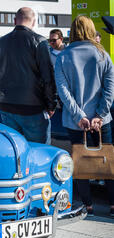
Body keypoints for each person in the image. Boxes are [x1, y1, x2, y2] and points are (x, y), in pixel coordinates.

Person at [54, 15, 114, 217]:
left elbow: (63, 91)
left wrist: (79, 115)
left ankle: (87, 204)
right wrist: (99, 114)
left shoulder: (63, 56)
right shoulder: (103, 55)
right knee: (107, 160)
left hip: (75, 122)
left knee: (79, 161)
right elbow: (109, 89)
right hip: (101, 121)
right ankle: (113, 204)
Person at [0, 7, 57, 145]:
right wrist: (51, 105)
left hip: (7, 106)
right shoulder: (39, 41)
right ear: (34, 22)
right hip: (33, 107)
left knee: (15, 149)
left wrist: (1, 95)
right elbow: (48, 77)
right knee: (39, 151)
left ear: (14, 21)